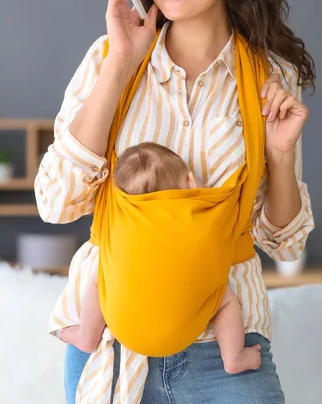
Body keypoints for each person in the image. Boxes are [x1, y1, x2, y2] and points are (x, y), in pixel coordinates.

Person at [35, 0, 316, 404]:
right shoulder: (106, 60)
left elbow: (282, 241)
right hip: (111, 347)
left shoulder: (271, 77)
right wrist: (121, 61)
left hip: (225, 346)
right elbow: (56, 203)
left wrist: (279, 156)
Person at [58, 141, 262, 375]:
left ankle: (87, 336)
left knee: (98, 280)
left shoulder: (120, 219)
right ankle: (234, 356)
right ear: (190, 181)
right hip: (184, 332)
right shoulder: (209, 216)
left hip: (122, 327)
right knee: (225, 299)